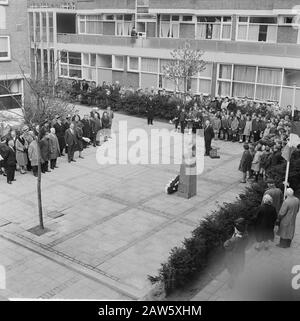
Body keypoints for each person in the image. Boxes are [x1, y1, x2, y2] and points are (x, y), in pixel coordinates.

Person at [224, 218, 248, 288]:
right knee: (237, 268)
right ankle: (235, 277)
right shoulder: (246, 234)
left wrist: (233, 237)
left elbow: (226, 245)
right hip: (240, 255)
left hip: (232, 256)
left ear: (237, 229)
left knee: (232, 269)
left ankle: (232, 283)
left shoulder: (235, 239)